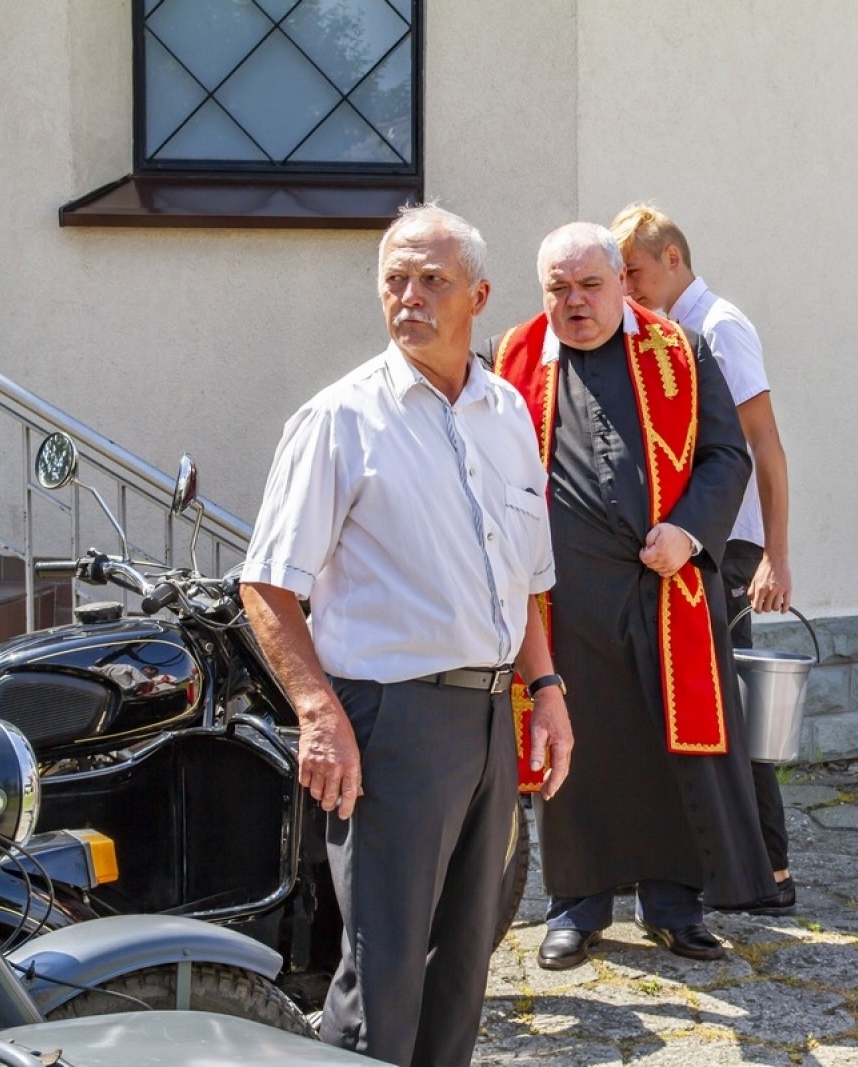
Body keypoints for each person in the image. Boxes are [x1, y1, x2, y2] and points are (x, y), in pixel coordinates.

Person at [239, 203, 574, 1067]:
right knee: (382, 978)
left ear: (479, 296)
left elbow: (524, 581)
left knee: (462, 968)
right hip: (389, 721)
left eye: (432, 280)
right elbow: (266, 583)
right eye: (395, 279)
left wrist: (545, 688)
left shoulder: (506, 412)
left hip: (488, 720)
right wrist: (319, 712)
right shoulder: (341, 418)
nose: (409, 296)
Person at [488, 222, 773, 971]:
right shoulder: (511, 358)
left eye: (590, 285)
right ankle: (576, 905)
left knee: (666, 749)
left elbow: (726, 455)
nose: (575, 302)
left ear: (622, 282)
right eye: (558, 288)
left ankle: (673, 904)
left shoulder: (681, 350)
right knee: (572, 747)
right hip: (564, 598)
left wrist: (689, 531)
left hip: (664, 587)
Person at [609, 202, 797, 915]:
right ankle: (718, 861)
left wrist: (776, 553)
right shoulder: (664, 334)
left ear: (673, 259)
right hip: (698, 538)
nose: (626, 289)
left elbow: (765, 444)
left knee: (727, 700)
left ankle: (770, 868)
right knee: (702, 697)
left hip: (730, 542)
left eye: (633, 272)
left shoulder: (718, 328)